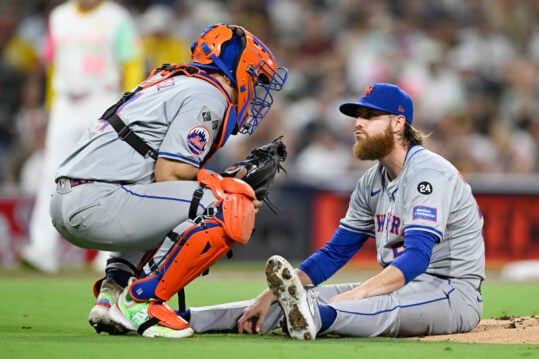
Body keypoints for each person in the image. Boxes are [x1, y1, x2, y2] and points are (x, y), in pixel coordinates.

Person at [183, 83, 485, 340]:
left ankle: (318, 318)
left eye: (369, 116)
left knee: (374, 308)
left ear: (398, 123)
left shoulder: (429, 172)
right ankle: (184, 318)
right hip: (401, 287)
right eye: (357, 116)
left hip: (451, 292)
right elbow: (334, 253)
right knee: (287, 301)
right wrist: (271, 295)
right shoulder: (371, 182)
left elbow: (418, 258)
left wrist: (358, 295)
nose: (358, 124)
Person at [49, 23, 288, 338]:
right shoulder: (210, 93)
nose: (255, 89)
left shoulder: (172, 81)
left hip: (72, 199)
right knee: (229, 205)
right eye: (255, 78)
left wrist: (220, 179)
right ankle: (141, 301)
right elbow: (171, 173)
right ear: (237, 68)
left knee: (187, 197)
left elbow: (163, 179)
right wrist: (228, 187)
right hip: (98, 202)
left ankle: (112, 296)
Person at [20, 0, 144, 273]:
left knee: (108, 175)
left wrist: (128, 107)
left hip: (102, 97)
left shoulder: (116, 18)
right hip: (66, 101)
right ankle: (42, 250)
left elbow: (132, 64)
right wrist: (52, 107)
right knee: (52, 172)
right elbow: (53, 64)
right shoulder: (60, 16)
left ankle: (108, 255)